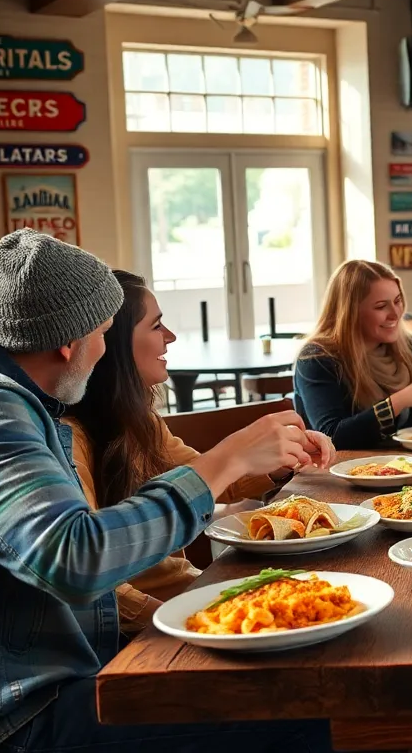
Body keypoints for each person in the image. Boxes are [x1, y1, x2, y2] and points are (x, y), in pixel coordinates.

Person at [0, 230, 332, 753]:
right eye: (103, 333)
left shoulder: (3, 398)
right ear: (69, 341)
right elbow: (74, 556)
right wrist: (226, 459)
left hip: (54, 684)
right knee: (309, 704)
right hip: (18, 719)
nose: (103, 353)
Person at [65, 270, 335, 634]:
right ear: (110, 341)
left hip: (192, 594)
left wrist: (281, 460)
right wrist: (190, 623)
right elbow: (95, 585)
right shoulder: (71, 439)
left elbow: (205, 480)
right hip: (156, 624)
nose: (171, 337)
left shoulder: (140, 420)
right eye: (157, 325)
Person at [295, 260, 412, 449]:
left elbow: (406, 427)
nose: (395, 314)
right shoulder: (317, 358)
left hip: (396, 464)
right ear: (350, 312)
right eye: (381, 306)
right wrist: (398, 401)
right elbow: (332, 436)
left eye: (398, 301)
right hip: (335, 471)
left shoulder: (407, 346)